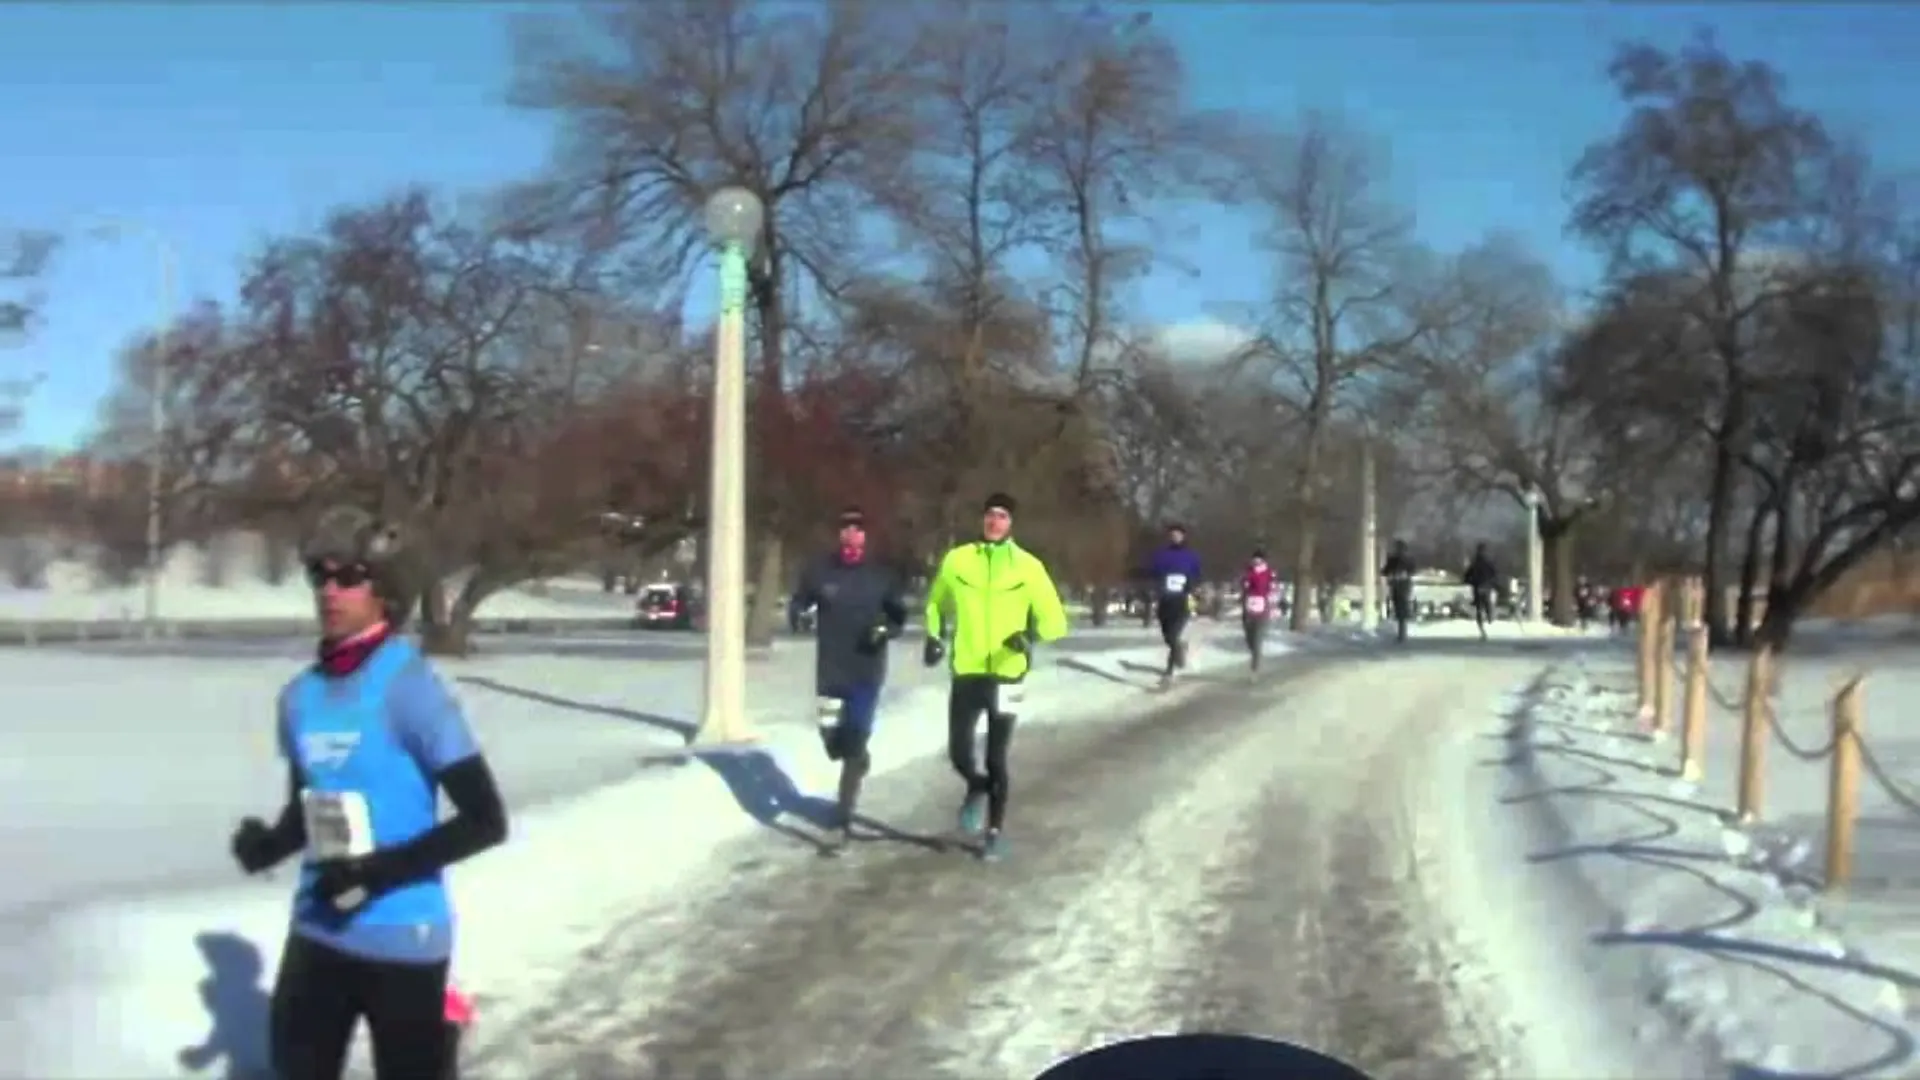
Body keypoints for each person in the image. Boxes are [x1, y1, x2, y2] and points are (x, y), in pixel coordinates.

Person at [226, 506, 508, 1080]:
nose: (330, 591)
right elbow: (311, 806)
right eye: (319, 576)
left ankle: (442, 1028)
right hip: (318, 926)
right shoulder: (299, 698)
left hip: (402, 934)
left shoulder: (411, 688)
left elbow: (485, 820)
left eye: (349, 576)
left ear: (384, 592)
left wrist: (375, 873)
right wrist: (269, 845)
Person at [923, 492, 1069, 862]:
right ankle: (976, 787)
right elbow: (935, 605)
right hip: (968, 669)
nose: (994, 522)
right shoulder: (958, 561)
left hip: (1008, 674)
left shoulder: (1028, 567)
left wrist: (1030, 636)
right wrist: (934, 636)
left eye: (1002, 516)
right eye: (990, 515)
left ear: (1011, 523)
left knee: (996, 757)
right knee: (958, 752)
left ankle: (994, 832)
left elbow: (1056, 620)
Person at [787, 505, 907, 852]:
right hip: (829, 673)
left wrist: (884, 629)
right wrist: (798, 616)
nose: (852, 534)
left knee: (853, 743)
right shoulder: (819, 571)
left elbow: (899, 618)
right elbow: (800, 602)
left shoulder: (881, 575)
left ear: (866, 536)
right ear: (839, 534)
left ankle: (843, 818)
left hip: (865, 674)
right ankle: (855, 758)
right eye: (846, 528)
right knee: (831, 743)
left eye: (858, 529)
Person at [1143, 522, 1203, 685]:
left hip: (1183, 601)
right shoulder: (1160, 555)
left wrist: (1195, 589)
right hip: (1165, 601)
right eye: (1172, 534)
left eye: (1178, 534)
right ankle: (1179, 648)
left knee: (1173, 635)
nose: (1175, 537)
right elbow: (1152, 574)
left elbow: (1198, 576)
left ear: (1183, 536)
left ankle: (1169, 671)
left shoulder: (1191, 556)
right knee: (1168, 637)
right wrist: (1154, 588)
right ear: (1169, 537)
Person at [1239, 549, 1277, 674]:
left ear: (1263, 560)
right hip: (1249, 610)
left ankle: (1255, 668)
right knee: (1249, 639)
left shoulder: (1269, 573)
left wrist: (1272, 606)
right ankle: (1255, 656)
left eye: (1258, 559)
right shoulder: (1247, 573)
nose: (1256, 561)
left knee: (1257, 640)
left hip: (1263, 610)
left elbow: (1273, 590)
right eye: (1254, 558)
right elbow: (1243, 588)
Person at [1380, 539, 1416, 643]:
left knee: (1398, 606)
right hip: (1404, 585)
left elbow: (1384, 571)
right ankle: (1402, 630)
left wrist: (1389, 573)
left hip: (1396, 584)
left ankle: (1401, 631)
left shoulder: (1393, 559)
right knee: (1402, 606)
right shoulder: (1408, 559)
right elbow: (1413, 571)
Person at [1463, 543, 1499, 640]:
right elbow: (1495, 574)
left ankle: (1482, 628)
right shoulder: (1488, 563)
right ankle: (1490, 617)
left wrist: (1470, 581)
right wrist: (1493, 584)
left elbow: (1466, 576)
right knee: (1487, 604)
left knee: (1479, 608)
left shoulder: (1475, 563)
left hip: (1478, 587)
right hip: (1487, 587)